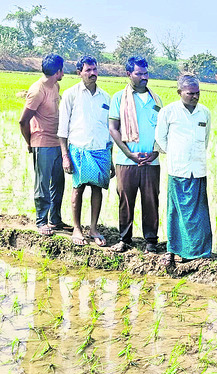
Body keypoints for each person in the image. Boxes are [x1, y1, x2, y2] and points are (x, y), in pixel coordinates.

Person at [155, 75, 212, 265]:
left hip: (198, 169)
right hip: (178, 169)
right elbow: (161, 139)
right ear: (179, 93)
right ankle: (174, 249)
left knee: (198, 213)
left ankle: (198, 252)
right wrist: (175, 154)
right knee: (176, 212)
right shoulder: (168, 112)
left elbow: (205, 139)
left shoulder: (204, 112)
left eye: (197, 93)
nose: (195, 96)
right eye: (190, 93)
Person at [58, 56, 114, 246]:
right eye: (88, 70)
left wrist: (111, 159)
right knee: (78, 189)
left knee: (97, 190)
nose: (92, 73)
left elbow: (109, 129)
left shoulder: (106, 97)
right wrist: (65, 156)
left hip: (101, 150)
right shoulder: (71, 94)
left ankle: (93, 228)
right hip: (78, 150)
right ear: (79, 73)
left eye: (95, 69)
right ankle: (76, 228)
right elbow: (62, 129)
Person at [109, 56, 163, 253]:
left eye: (146, 73)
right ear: (128, 74)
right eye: (139, 74)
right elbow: (113, 129)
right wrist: (129, 154)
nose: (144, 77)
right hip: (126, 161)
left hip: (151, 161)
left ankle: (151, 241)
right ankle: (125, 239)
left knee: (151, 201)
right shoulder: (118, 98)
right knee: (126, 201)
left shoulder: (156, 100)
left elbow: (162, 130)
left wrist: (155, 153)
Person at [19, 54, 73, 236]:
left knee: (58, 182)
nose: (63, 73)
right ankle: (41, 221)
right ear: (57, 72)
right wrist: (30, 143)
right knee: (42, 184)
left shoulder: (55, 86)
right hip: (42, 142)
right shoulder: (37, 90)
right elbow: (23, 121)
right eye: (62, 70)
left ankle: (55, 220)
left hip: (57, 141)